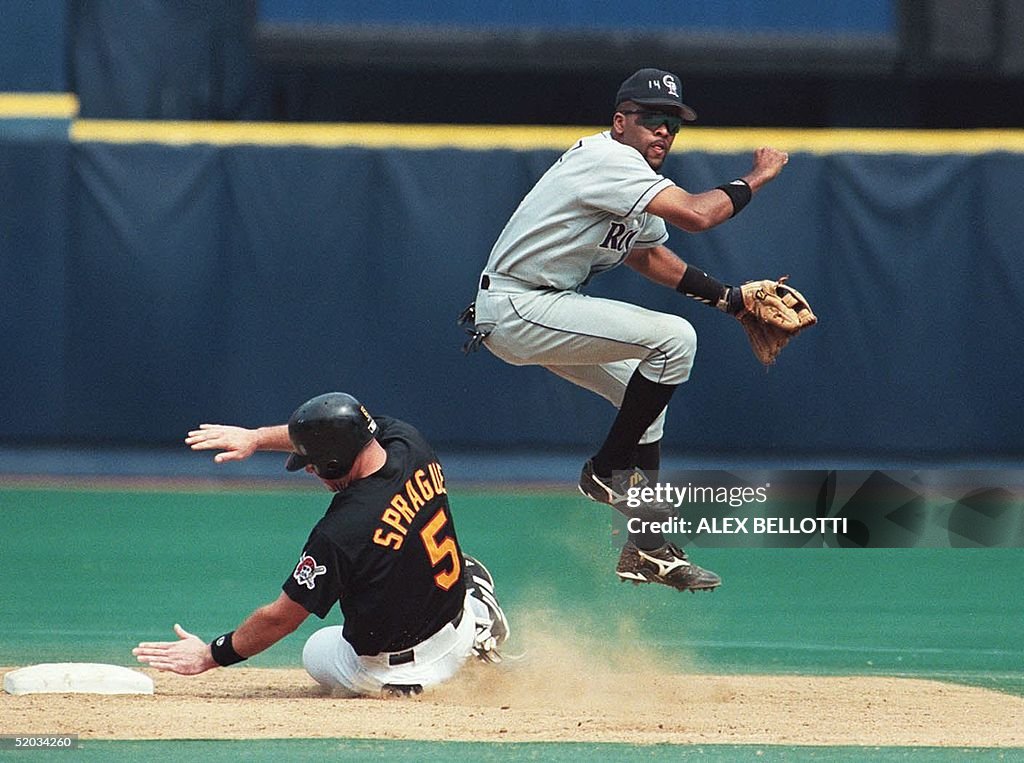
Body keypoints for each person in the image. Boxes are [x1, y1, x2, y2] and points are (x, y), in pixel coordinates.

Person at [462, 68, 790, 593]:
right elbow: (696, 215)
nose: (663, 131)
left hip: (546, 306)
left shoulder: (630, 176)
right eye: (651, 119)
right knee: (675, 339)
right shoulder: (608, 160)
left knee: (648, 411)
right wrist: (756, 178)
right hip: (518, 303)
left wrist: (728, 299)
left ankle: (646, 547)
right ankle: (606, 468)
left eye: (673, 124)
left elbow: (649, 254)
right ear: (620, 122)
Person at [133, 392, 510, 697]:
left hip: (399, 673)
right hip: (454, 629)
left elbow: (280, 618)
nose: (308, 468)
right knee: (461, 563)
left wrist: (209, 654)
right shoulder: (408, 441)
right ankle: (475, 628)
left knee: (317, 648)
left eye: (311, 462)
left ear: (333, 460)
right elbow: (341, 427)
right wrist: (256, 438)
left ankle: (408, 680)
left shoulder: (341, 530)